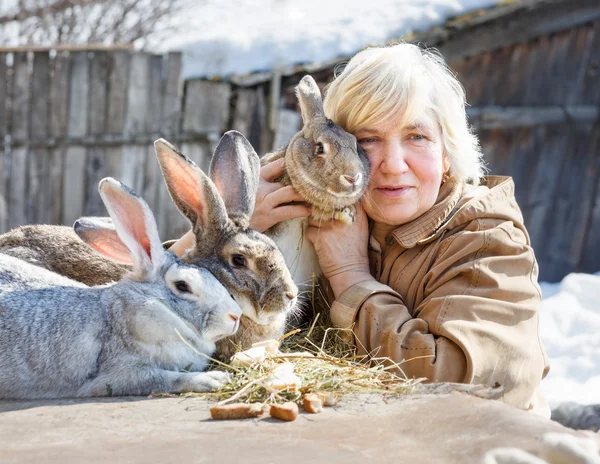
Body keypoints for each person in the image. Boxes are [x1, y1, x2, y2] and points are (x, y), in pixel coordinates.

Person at [249, 43, 550, 417]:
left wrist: (350, 275)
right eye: (367, 140)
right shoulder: (312, 208)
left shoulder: (486, 239)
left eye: (417, 137)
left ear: (447, 153)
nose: (392, 165)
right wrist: (237, 229)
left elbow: (476, 393)